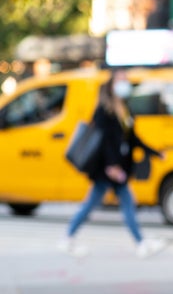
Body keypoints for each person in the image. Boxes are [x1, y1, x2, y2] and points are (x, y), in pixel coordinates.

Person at [57, 70, 166, 258]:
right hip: (107, 169)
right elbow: (103, 141)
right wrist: (111, 166)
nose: (124, 84)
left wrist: (155, 153)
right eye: (120, 80)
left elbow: (133, 139)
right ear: (112, 84)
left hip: (118, 167)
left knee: (108, 203)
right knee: (103, 203)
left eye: (126, 80)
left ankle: (139, 243)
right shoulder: (103, 110)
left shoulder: (125, 109)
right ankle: (139, 243)